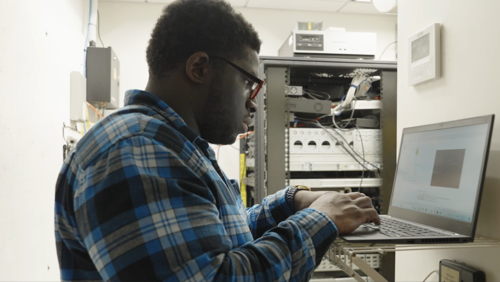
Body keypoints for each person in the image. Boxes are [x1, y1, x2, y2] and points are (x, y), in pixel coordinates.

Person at [54, 0, 380, 281]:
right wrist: (320, 219)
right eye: (249, 83)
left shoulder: (170, 143)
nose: (253, 102)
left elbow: (218, 236)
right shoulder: (136, 150)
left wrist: (292, 201)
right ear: (199, 68)